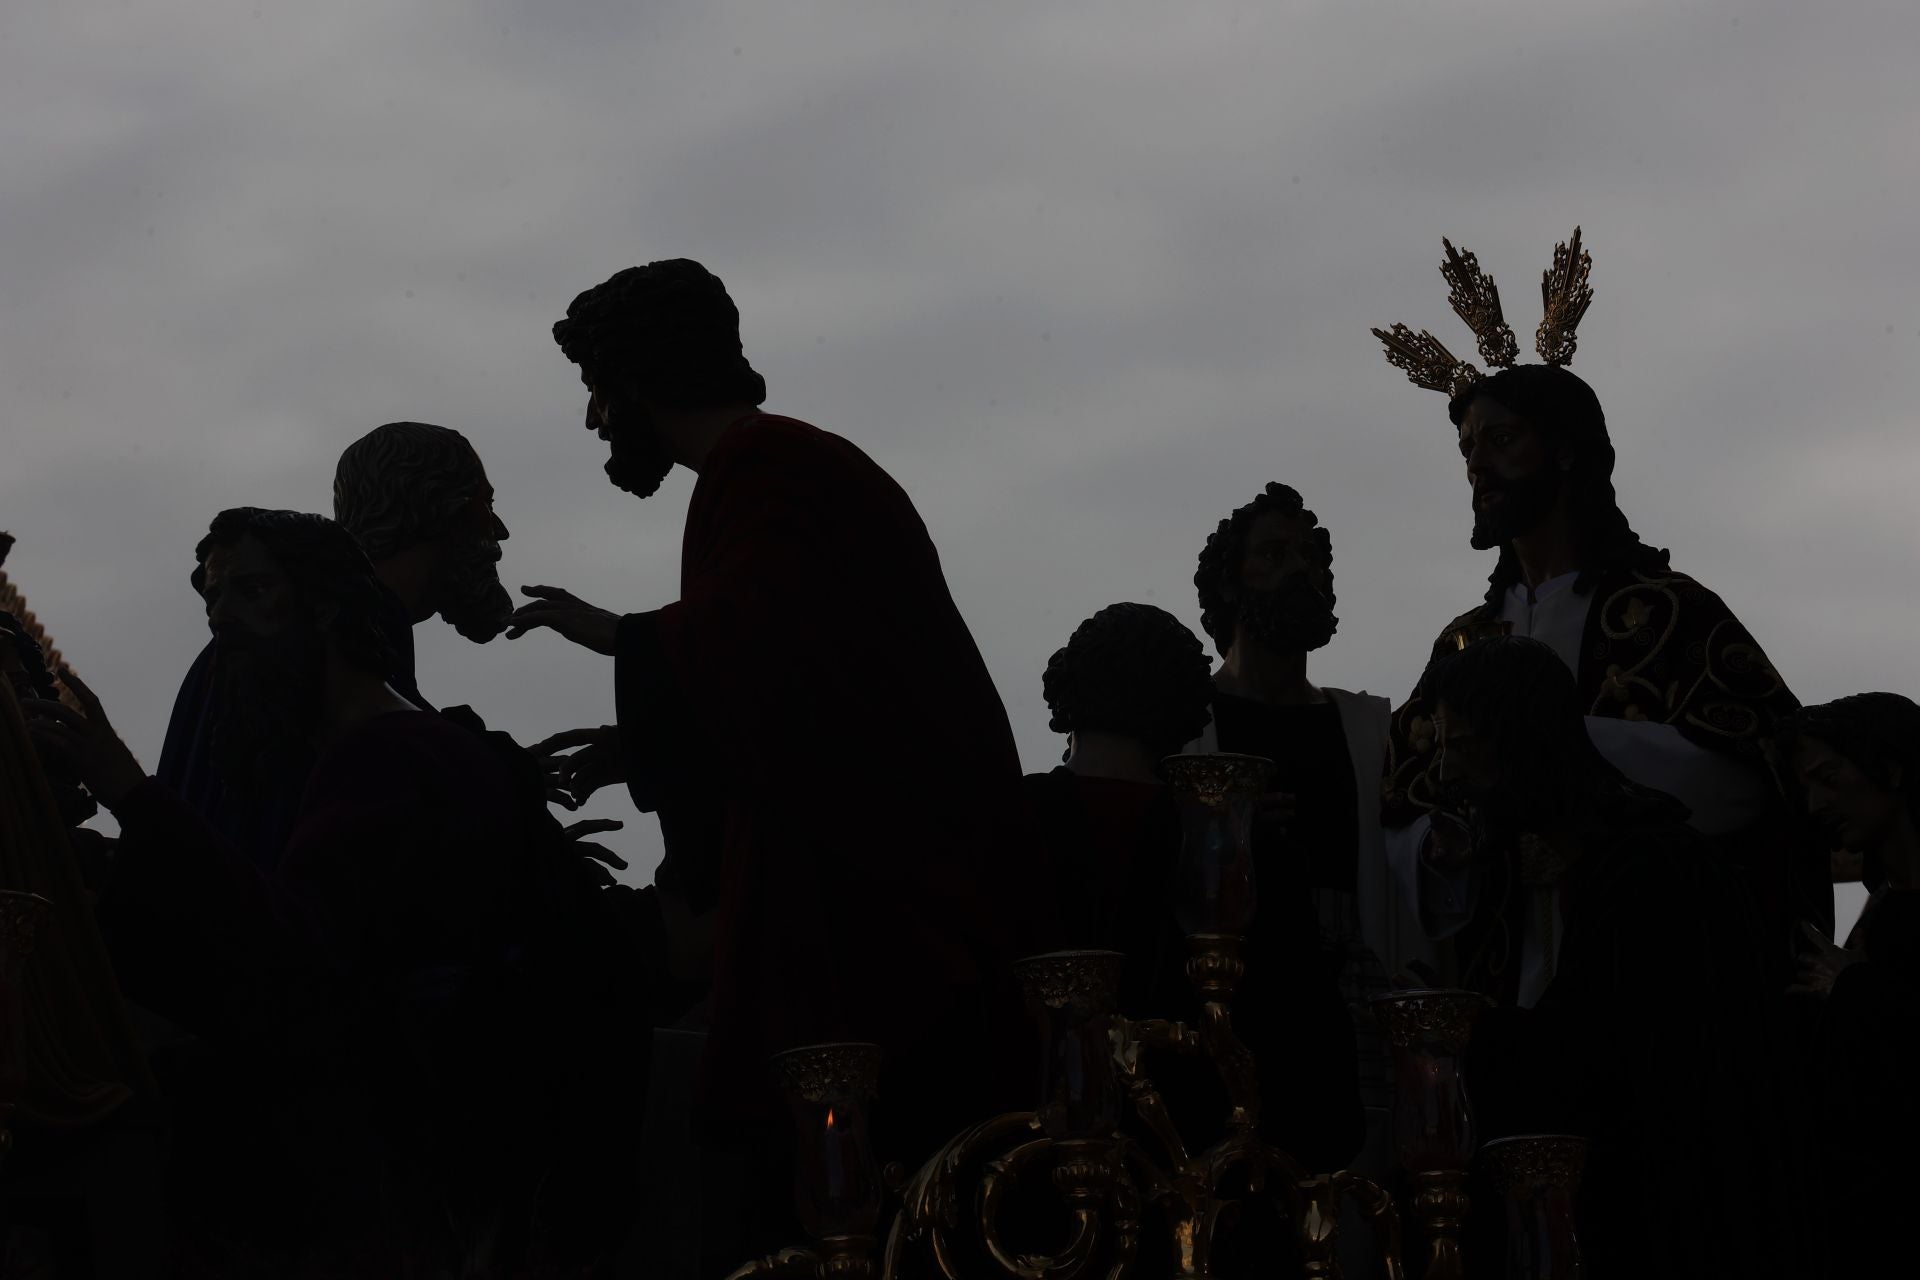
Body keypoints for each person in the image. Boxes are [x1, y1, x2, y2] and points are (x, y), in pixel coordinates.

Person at [511, 259, 1040, 1254]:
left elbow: (760, 648)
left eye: (597, 389)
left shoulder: (774, 467)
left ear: (641, 377)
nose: (592, 419)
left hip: (890, 931)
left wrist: (617, 636)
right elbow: (796, 692)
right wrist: (645, 737)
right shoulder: (767, 472)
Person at [25, 509, 633, 1274]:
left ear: (325, 605)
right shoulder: (404, 749)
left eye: (252, 591)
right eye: (212, 601)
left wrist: (129, 793)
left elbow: (295, 970)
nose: (224, 622)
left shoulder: (385, 759)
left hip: (396, 1187)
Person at [1370, 230, 1813, 1000]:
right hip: (1502, 986)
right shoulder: (1464, 646)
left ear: (1565, 452)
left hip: (1650, 970)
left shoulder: (1666, 613)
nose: (1477, 465)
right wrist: (1444, 847)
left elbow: (1761, 778)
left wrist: (1561, 755)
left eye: (1501, 439)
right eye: (1468, 448)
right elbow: (1401, 811)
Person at [1421, 636, 1791, 1277]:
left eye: (1466, 747)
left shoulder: (1651, 876)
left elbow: (1607, 1074)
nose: (1446, 775)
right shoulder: (1619, 864)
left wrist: (1463, 1031)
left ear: (1523, 742)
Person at [155, 422, 515, 871]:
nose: (499, 531)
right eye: (486, 504)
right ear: (442, 510)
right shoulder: (308, 643)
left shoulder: (274, 643)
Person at [1780, 694, 1920, 1279]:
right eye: (1807, 788)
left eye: (1829, 778)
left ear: (1890, 768)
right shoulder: (1883, 911)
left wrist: (1853, 986)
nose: (1816, 804)